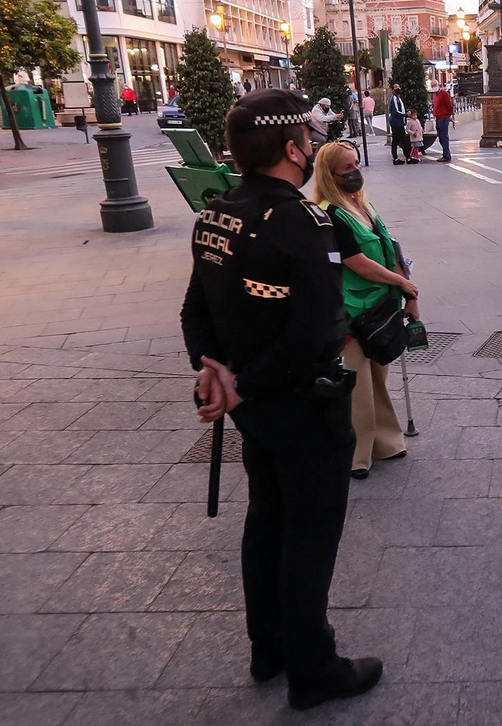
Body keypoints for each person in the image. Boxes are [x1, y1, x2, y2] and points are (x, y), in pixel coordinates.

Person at [179, 88, 383, 708]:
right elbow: (316, 331)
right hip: (298, 404)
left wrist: (212, 368)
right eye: (307, 137)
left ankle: (267, 647)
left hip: (255, 411)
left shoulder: (216, 212)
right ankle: (313, 670)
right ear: (293, 148)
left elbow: (195, 310)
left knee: (266, 521)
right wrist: (238, 383)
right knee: (308, 535)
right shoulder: (304, 220)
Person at [312, 142, 416, 479]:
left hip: (379, 306)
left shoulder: (364, 205)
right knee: (357, 385)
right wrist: (401, 285)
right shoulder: (329, 214)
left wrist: (406, 286)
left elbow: (390, 247)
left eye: (356, 164)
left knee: (378, 377)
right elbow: (358, 263)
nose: (355, 171)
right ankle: (357, 455)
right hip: (351, 312)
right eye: (347, 168)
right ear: (330, 175)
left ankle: (386, 442)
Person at [387, 86, 409, 166]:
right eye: (396, 87)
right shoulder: (395, 99)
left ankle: (395, 158)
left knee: (395, 140)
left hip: (397, 122)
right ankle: (408, 157)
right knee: (403, 140)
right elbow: (395, 111)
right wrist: (405, 115)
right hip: (397, 123)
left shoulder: (396, 98)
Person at [432, 86, 454, 163]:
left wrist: (448, 115)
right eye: (432, 85)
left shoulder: (443, 93)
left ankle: (446, 155)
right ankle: (447, 154)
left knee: (444, 137)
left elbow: (449, 105)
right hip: (438, 118)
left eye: (434, 84)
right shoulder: (436, 95)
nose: (433, 86)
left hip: (443, 118)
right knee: (441, 137)